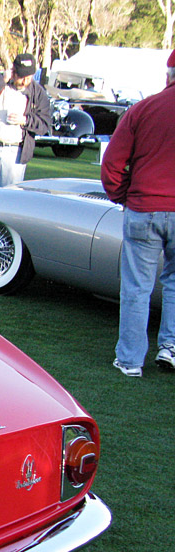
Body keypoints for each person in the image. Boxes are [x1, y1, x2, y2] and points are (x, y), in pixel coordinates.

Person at [100, 49, 175, 377]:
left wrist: (122, 195)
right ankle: (170, 346)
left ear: (169, 75)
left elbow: (112, 164)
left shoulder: (143, 109)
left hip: (144, 208)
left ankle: (130, 360)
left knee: (136, 287)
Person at [0, 52, 50, 188]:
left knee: (8, 199)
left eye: (29, 77)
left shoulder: (38, 92)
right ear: (14, 72)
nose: (25, 82)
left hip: (14, 153)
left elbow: (44, 124)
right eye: (22, 77)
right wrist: (1, 79)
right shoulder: (0, 82)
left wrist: (25, 120)